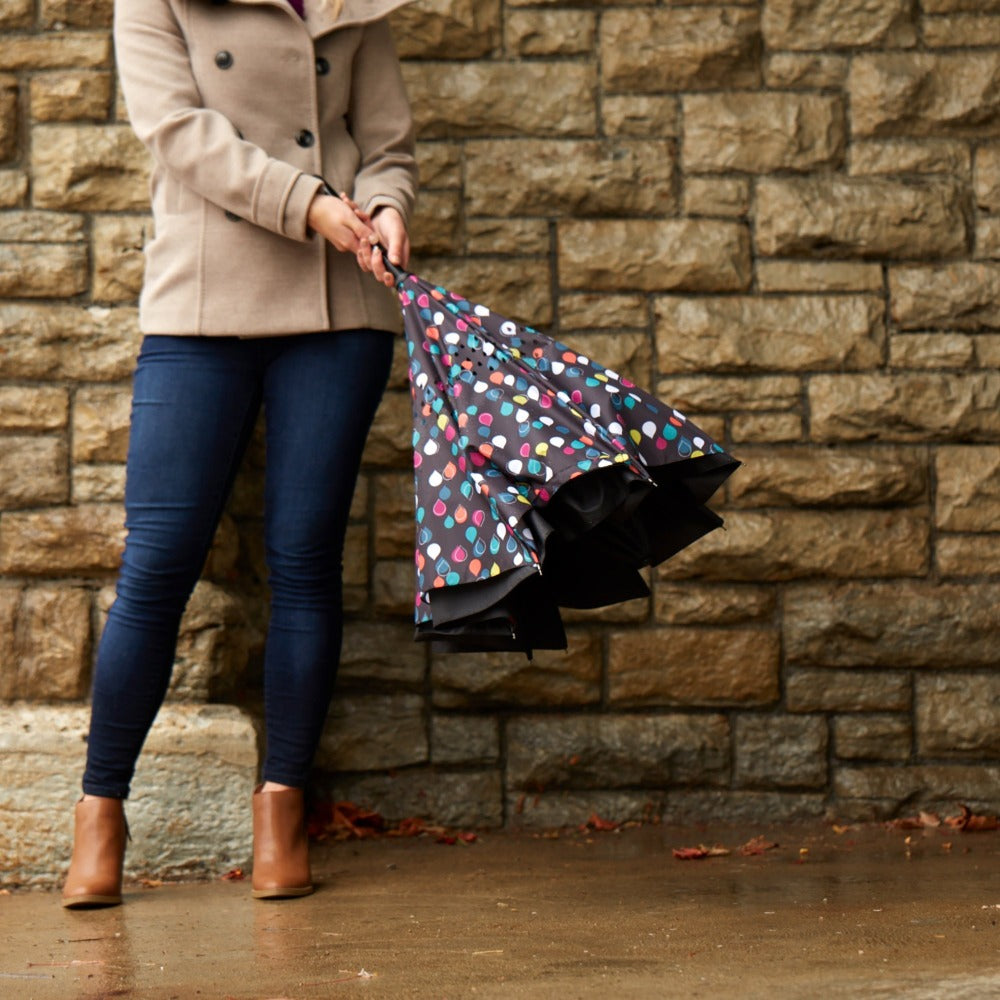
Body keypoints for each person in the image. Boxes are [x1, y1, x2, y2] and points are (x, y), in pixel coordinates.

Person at [62, 0, 418, 908]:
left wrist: (386, 204)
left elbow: (385, 141)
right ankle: (101, 813)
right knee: (158, 562)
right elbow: (179, 132)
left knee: (303, 560)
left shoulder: (355, 4)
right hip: (203, 301)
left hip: (340, 307)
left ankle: (282, 810)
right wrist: (312, 206)